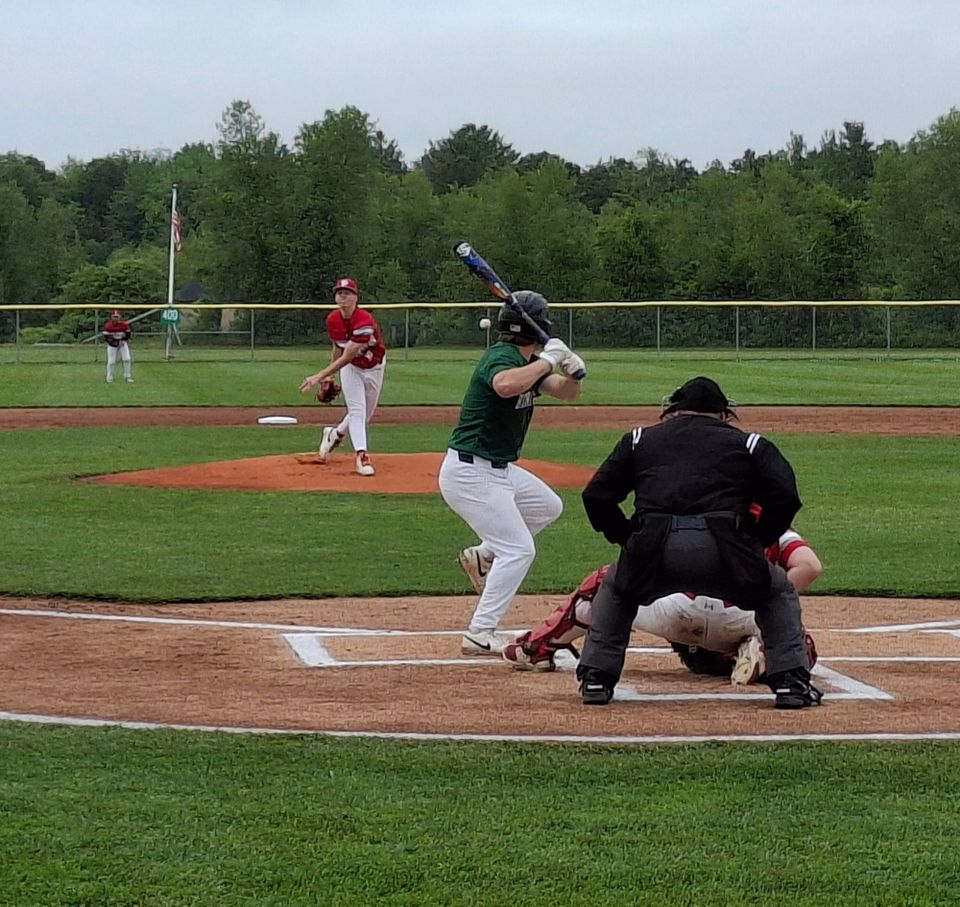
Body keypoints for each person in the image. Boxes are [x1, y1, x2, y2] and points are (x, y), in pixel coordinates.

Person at [575, 376, 822, 709]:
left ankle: (596, 679)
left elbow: (596, 496)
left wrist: (627, 537)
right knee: (776, 592)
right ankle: (791, 683)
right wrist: (755, 539)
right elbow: (785, 497)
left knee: (616, 591)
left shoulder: (639, 439)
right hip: (728, 550)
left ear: (675, 410)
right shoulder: (749, 443)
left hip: (653, 549)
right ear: (724, 414)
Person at [438, 290, 585, 656]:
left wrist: (572, 369)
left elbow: (567, 393)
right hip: (470, 472)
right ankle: (480, 632)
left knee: (547, 506)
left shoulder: (527, 363)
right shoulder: (502, 357)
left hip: (498, 469)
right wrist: (548, 358)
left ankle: (483, 555)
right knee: (518, 550)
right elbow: (505, 385)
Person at [502, 522, 823, 686]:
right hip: (742, 616)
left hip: (675, 610)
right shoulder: (770, 520)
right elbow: (809, 567)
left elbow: (640, 565)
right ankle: (757, 654)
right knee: (797, 642)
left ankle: (537, 648)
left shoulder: (682, 509)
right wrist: (766, 602)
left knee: (606, 584)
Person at [299, 278, 386, 477]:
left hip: (374, 367)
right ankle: (362, 457)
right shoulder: (333, 320)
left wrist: (319, 376)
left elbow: (347, 355)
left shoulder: (364, 321)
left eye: (347, 293)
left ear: (356, 298)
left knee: (365, 415)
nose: (343, 296)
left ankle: (334, 434)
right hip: (352, 368)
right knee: (357, 411)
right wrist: (329, 377)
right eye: (339, 293)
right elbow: (338, 348)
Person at [102, 309, 133, 383]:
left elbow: (128, 334)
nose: (116, 318)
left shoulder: (124, 325)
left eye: (117, 316)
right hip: (112, 345)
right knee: (111, 361)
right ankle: (109, 378)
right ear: (111, 317)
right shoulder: (108, 326)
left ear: (120, 317)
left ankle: (127, 377)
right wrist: (114, 343)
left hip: (122, 344)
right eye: (114, 316)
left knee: (127, 359)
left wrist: (124, 340)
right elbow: (106, 337)